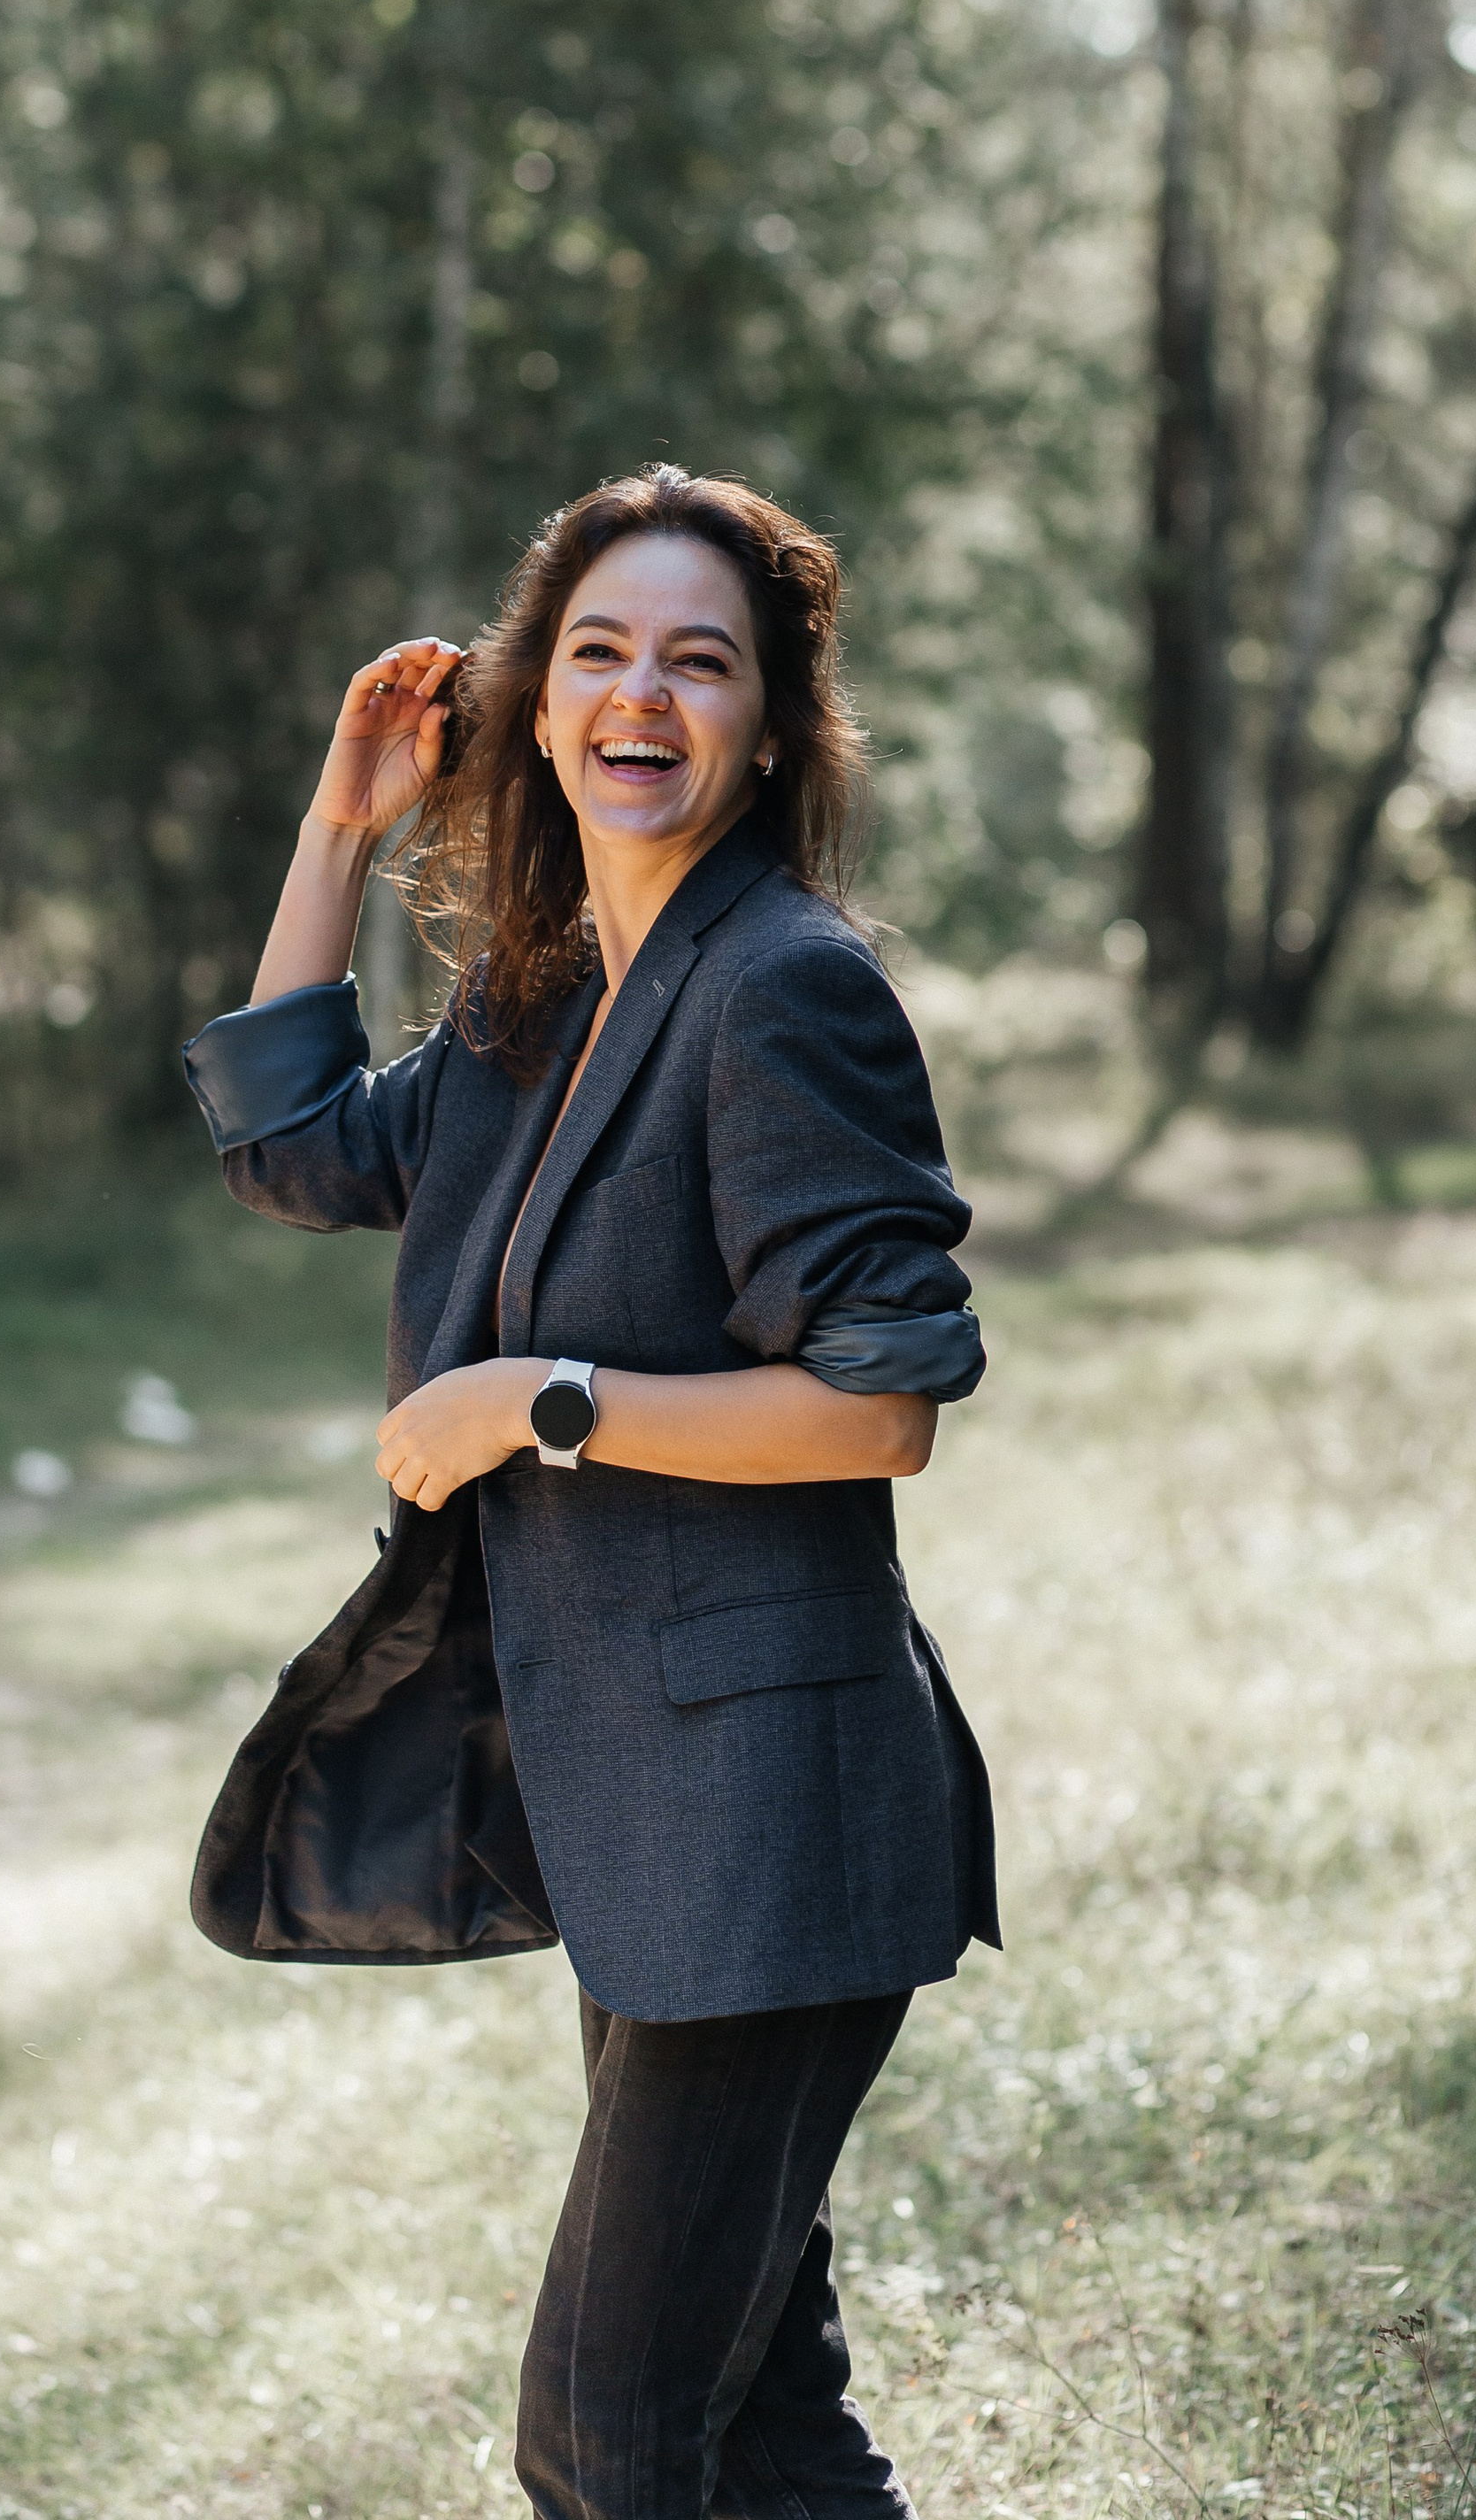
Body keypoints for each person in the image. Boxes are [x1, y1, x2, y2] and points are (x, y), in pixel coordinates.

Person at [183, 465, 997, 2520]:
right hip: (656, 1824)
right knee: (759, 2422)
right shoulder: (537, 1005)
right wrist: (339, 825)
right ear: (536, 705)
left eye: (697, 663)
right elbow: (285, 1144)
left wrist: (539, 1401)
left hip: (776, 1823)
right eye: (599, 655)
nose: (642, 697)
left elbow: (877, 1400)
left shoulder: (780, 986)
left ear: (769, 722)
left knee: (607, 2445)